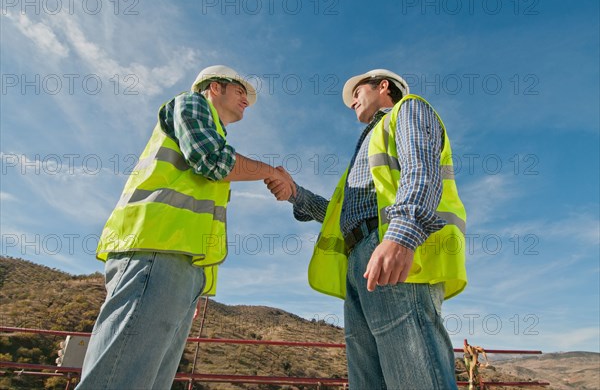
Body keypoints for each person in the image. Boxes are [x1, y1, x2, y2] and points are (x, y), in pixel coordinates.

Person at [78, 65, 294, 389]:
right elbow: (213, 161)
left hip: (179, 264)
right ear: (215, 87)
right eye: (240, 91)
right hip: (155, 249)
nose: (247, 100)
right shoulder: (191, 104)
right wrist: (271, 172)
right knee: (119, 379)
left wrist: (191, 286)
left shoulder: (215, 130)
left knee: (146, 381)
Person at [267, 69, 467, 389]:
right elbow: (341, 213)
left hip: (392, 248)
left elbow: (421, 169)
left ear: (383, 87)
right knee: (368, 380)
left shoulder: (409, 110)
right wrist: (295, 193)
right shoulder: (366, 150)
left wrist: (402, 235)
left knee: (413, 376)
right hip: (360, 261)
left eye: (357, 92)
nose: (351, 103)